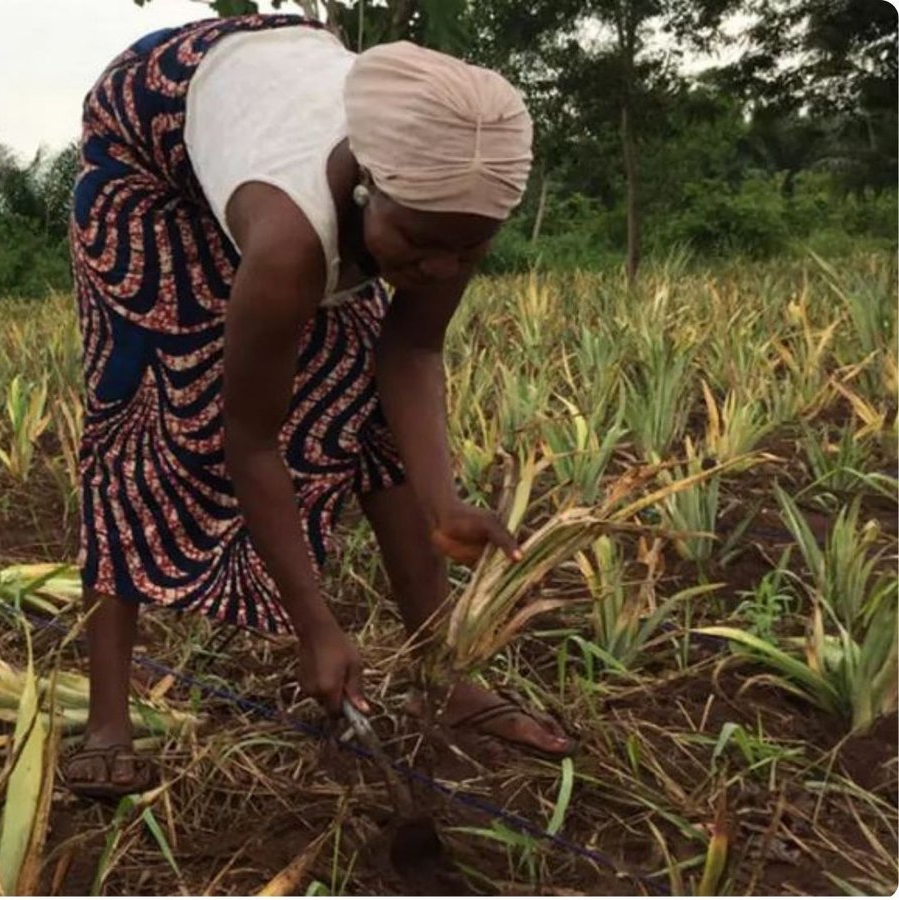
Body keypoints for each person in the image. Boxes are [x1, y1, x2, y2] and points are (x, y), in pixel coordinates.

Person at [64, 16, 576, 799]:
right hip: (150, 137)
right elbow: (252, 442)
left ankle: (445, 677)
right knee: (144, 413)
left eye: (468, 251)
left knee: (363, 404)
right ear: (370, 185)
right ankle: (108, 717)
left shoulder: (448, 202)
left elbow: (411, 353)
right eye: (421, 241)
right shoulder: (291, 240)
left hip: (281, 93)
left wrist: (444, 502)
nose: (440, 267)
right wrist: (317, 627)